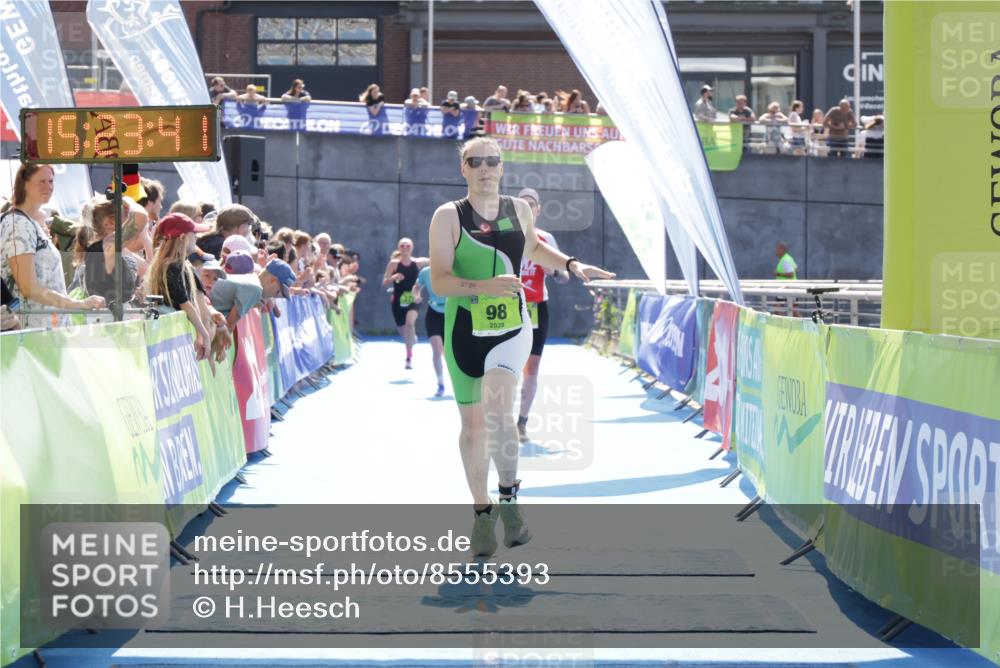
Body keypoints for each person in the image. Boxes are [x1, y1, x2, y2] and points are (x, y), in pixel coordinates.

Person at [428, 136, 615, 557]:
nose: (485, 168)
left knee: (498, 414)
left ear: (502, 167)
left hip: (513, 327)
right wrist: (484, 286)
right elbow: (440, 280)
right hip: (463, 330)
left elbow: (532, 247)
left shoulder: (520, 210)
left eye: (493, 161)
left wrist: (571, 263)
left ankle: (510, 501)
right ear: (464, 169)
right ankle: (482, 514)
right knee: (473, 427)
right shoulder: (448, 217)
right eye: (476, 162)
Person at [0, 164, 105, 329]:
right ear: (24, 183)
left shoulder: (28, 222)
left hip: (46, 330)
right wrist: (78, 304)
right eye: (41, 181)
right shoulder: (18, 223)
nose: (48, 186)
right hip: (30, 332)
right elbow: (28, 287)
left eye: (51, 181)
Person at [514, 188, 570, 443]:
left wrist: (553, 271)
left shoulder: (545, 238)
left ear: (538, 210)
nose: (527, 209)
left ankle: (521, 422)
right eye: (522, 204)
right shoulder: (505, 236)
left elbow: (564, 275)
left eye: (532, 205)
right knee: (505, 365)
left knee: (531, 366)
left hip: (536, 306)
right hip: (507, 307)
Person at [144, 213, 221, 361]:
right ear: (182, 238)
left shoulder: (178, 265)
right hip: (173, 340)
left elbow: (194, 303)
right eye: (194, 234)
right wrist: (203, 334)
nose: (196, 238)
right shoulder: (172, 266)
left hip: (175, 338)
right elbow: (186, 304)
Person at [210, 257, 295, 331]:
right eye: (277, 292)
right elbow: (229, 325)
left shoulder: (253, 281)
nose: (273, 297)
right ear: (272, 281)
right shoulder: (255, 289)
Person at [383, 238, 429, 369]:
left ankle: (409, 358)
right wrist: (394, 277)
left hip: (413, 298)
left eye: (408, 246)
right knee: (404, 331)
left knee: (410, 323)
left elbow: (435, 261)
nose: (405, 248)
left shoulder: (418, 262)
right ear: (399, 248)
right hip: (398, 300)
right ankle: (411, 339)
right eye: (402, 246)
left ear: (412, 247)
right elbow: (385, 281)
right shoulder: (394, 264)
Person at [413, 264, 447, 396]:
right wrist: (416, 295)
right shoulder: (425, 272)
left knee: (448, 351)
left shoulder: (452, 269)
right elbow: (416, 287)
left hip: (450, 312)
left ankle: (458, 381)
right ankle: (440, 384)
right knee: (436, 348)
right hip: (433, 312)